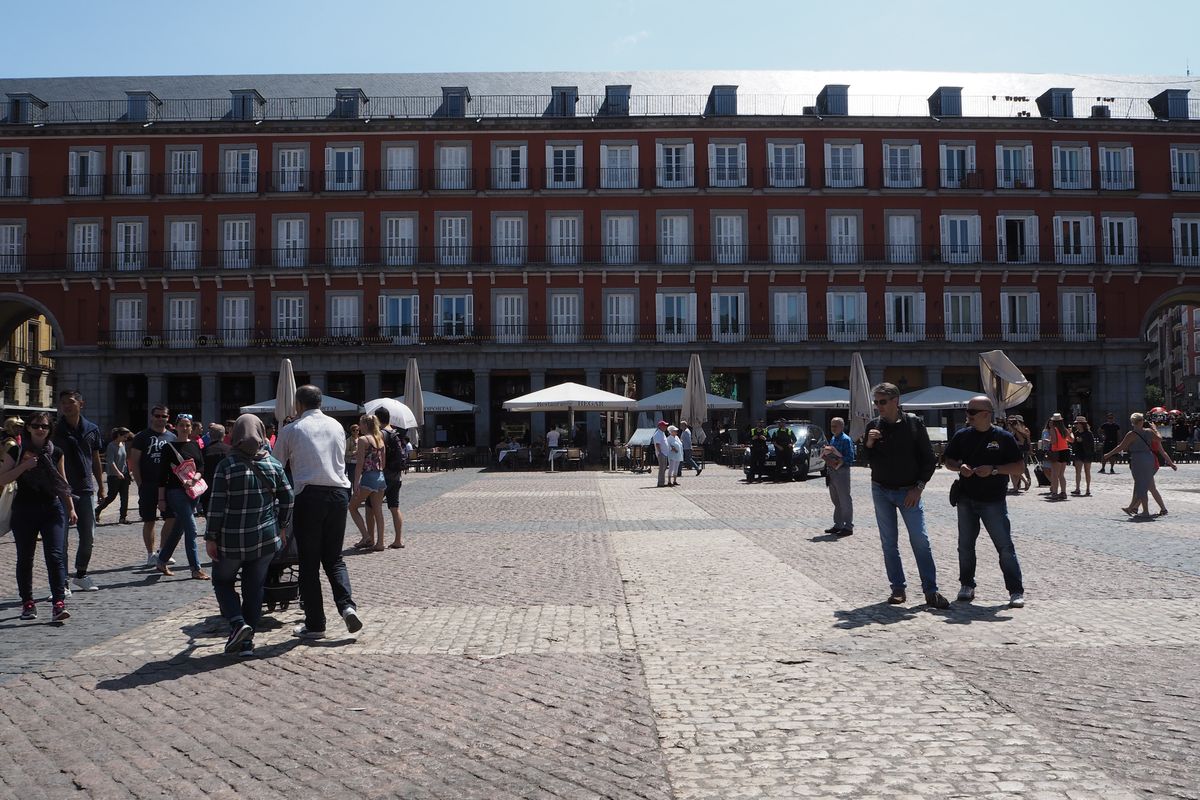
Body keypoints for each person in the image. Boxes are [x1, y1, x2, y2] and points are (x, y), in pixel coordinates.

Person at [272, 385, 363, 639]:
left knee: (309, 563)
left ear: (298, 405)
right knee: (334, 558)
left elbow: (276, 465)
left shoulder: (292, 429)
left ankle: (315, 624)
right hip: (338, 494)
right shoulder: (336, 426)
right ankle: (346, 607)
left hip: (309, 496)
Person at [205, 414, 294, 658]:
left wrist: (211, 536)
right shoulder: (273, 464)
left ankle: (237, 623)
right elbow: (288, 497)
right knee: (254, 588)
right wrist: (282, 524)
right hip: (265, 538)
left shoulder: (227, 466)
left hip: (232, 539)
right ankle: (247, 642)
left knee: (222, 581)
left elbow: (217, 505)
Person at [863, 382, 949, 608]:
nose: (878, 406)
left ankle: (931, 591)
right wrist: (869, 444)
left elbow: (929, 460)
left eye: (882, 402)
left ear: (895, 401)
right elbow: (865, 461)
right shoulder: (873, 426)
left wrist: (918, 488)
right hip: (881, 489)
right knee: (889, 542)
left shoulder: (914, 424)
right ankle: (898, 588)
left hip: (909, 490)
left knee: (920, 540)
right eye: (876, 402)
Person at [942, 396, 1026, 609]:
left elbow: (1019, 467)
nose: (967, 415)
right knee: (965, 546)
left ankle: (1015, 590)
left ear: (986, 414)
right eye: (967, 411)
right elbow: (948, 460)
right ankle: (967, 585)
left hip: (993, 501)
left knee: (1005, 546)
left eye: (972, 412)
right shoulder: (961, 436)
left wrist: (994, 470)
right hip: (966, 499)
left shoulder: (1004, 437)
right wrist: (959, 467)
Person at [0, 413, 77, 622]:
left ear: (49, 429)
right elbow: (2, 478)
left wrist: (70, 507)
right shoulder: (16, 450)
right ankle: (27, 603)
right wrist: (24, 466)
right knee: (25, 558)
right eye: (35, 426)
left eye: (44, 426)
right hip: (24, 509)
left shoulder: (56, 452)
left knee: (55, 555)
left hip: (52, 509)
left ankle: (58, 603)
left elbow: (62, 481)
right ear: (29, 428)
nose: (40, 429)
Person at [51, 389, 105, 593]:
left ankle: (81, 573)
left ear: (81, 404)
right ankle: (62, 581)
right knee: (60, 537)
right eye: (63, 402)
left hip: (85, 488)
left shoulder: (92, 429)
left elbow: (96, 458)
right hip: (61, 490)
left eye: (70, 402)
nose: (66, 405)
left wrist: (100, 485)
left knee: (88, 535)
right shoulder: (55, 430)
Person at [154, 414, 208, 580]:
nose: (185, 428)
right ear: (176, 427)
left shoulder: (194, 445)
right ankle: (195, 568)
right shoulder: (168, 447)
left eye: (188, 425)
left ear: (191, 428)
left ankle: (161, 560)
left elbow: (201, 466)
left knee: (178, 529)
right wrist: (161, 499)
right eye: (182, 425)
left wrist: (195, 479)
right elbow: (162, 475)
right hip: (176, 492)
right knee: (191, 529)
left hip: (194, 491)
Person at [129, 405, 177, 567]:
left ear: (168, 418)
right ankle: (150, 554)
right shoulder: (142, 437)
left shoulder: (172, 437)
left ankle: (163, 552)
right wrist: (140, 484)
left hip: (168, 485)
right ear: (152, 417)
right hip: (148, 484)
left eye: (163, 416)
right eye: (157, 416)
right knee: (149, 520)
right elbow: (134, 462)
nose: (160, 419)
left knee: (171, 518)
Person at [1104, 412, 1174, 519]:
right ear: (1142, 421)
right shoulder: (1149, 432)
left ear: (1132, 422)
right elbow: (1160, 439)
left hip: (1138, 459)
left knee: (1140, 485)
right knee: (1145, 485)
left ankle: (1145, 511)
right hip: (1149, 458)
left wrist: (1109, 454)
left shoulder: (1131, 434)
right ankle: (1135, 507)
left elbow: (1121, 447)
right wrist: (1155, 429)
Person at [349, 414, 387, 551]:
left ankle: (366, 536)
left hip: (368, 477)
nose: (359, 426)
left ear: (365, 425)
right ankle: (380, 543)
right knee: (378, 511)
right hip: (380, 476)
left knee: (352, 507)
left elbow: (359, 465)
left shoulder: (363, 440)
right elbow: (383, 461)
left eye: (360, 423)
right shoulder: (380, 438)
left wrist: (355, 483)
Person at [373, 406, 405, 549]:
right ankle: (398, 540)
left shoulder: (381, 434)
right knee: (394, 507)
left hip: (384, 475)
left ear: (378, 419)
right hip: (396, 475)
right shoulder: (395, 433)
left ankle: (376, 541)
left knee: (373, 507)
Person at [822, 417, 855, 536]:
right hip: (832, 472)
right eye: (831, 426)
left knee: (844, 500)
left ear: (842, 426)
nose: (833, 428)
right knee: (836, 500)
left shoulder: (846, 439)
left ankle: (848, 526)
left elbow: (850, 458)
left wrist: (838, 460)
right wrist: (826, 456)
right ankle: (838, 524)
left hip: (842, 472)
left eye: (835, 426)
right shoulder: (834, 438)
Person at [95, 428, 132, 524]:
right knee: (112, 496)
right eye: (124, 436)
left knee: (125, 497)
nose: (126, 439)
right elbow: (111, 461)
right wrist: (117, 473)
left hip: (124, 475)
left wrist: (128, 473)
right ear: (119, 435)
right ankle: (97, 510)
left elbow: (124, 461)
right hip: (113, 476)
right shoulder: (111, 446)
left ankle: (123, 518)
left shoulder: (122, 444)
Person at [200, 424, 231, 515]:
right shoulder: (230, 450)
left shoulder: (204, 451)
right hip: (227, 488)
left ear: (209, 435)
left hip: (209, 490)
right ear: (224, 435)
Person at [1045, 413, 1074, 500]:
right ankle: (1063, 492)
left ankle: (1054, 493)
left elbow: (1053, 441)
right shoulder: (1064, 430)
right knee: (1061, 474)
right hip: (1065, 451)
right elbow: (1071, 440)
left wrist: (1047, 440)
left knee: (1054, 474)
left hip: (1056, 452)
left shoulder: (1053, 429)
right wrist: (1071, 433)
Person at [1004, 416, 1033, 494]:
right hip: (1014, 452)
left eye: (1009, 424)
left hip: (1019, 452)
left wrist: (1011, 443)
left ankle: (1024, 482)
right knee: (1012, 470)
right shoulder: (1012, 432)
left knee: (1015, 469)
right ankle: (1016, 487)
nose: (1007, 426)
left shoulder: (1017, 431)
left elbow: (1022, 442)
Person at [1070, 416, 1096, 496]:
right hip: (1079, 453)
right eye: (1075, 423)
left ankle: (1088, 489)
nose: (1076, 425)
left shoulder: (1089, 433)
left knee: (1087, 471)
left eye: (1077, 423)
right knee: (1078, 472)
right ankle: (1077, 488)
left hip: (1087, 454)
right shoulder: (1076, 433)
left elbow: (1092, 445)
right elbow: (1073, 443)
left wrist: (1083, 441)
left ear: (1081, 424)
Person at [652, 420, 671, 487]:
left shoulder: (662, 433)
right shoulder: (657, 434)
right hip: (661, 454)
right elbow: (657, 444)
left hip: (664, 453)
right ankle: (660, 483)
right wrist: (660, 453)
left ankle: (662, 482)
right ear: (660, 426)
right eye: (664, 425)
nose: (666, 427)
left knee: (664, 468)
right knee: (662, 468)